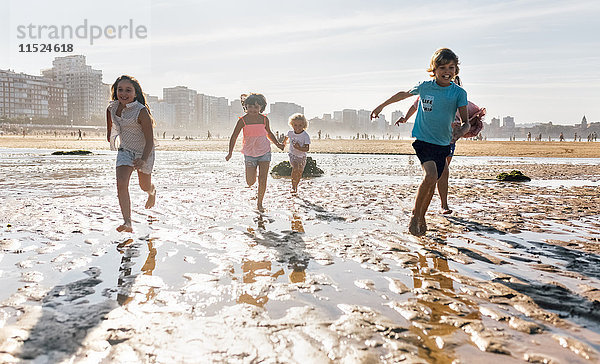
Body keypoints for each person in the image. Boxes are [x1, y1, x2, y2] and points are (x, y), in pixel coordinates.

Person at [371, 48, 469, 236]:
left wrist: (460, 132)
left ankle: (421, 215)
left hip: (443, 144)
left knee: (432, 183)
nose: (447, 71)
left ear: (456, 70)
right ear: (434, 69)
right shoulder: (425, 86)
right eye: (442, 67)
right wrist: (381, 106)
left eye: (451, 67)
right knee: (430, 175)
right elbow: (403, 94)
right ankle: (416, 215)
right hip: (423, 140)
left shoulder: (459, 93)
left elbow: (466, 122)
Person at [396, 77, 485, 215]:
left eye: (454, 82)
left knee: (442, 171)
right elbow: (415, 105)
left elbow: (468, 119)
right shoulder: (430, 92)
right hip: (430, 138)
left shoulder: (459, 97)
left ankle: (440, 204)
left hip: (449, 140)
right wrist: (405, 119)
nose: (450, 83)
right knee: (440, 171)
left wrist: (462, 129)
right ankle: (430, 207)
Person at [106, 75, 156, 233]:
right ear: (115, 92)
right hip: (125, 151)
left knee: (144, 186)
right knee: (121, 183)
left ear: (136, 93)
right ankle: (128, 222)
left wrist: (143, 159)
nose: (123, 93)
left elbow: (150, 141)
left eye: (128, 90)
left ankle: (152, 191)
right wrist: (111, 136)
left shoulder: (141, 112)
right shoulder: (112, 108)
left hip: (144, 152)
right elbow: (111, 125)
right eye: (120, 90)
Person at [226, 93, 284, 211]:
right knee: (250, 182)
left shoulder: (264, 119)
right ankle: (256, 189)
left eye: (256, 107)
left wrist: (277, 144)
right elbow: (234, 136)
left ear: (261, 108)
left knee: (263, 178)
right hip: (249, 153)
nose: (253, 110)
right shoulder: (243, 121)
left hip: (265, 152)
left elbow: (269, 133)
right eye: (250, 107)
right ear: (246, 107)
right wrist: (230, 152)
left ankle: (260, 204)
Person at [283, 113, 311, 194]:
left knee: (299, 173)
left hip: (302, 157)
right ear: (291, 124)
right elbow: (286, 138)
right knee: (295, 168)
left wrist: (299, 148)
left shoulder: (305, 135)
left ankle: (296, 185)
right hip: (293, 155)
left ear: (304, 125)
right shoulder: (290, 133)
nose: (297, 127)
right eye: (295, 125)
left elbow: (307, 149)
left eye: (300, 125)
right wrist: (283, 144)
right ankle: (293, 187)